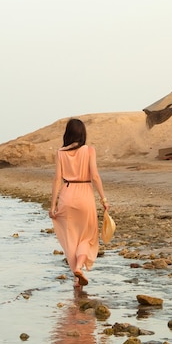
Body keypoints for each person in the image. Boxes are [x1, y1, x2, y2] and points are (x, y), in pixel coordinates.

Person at [49, 118, 109, 287]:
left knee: (71, 238)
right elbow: (95, 176)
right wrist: (103, 199)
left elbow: (56, 180)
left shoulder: (60, 153)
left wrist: (53, 205)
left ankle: (76, 278)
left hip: (67, 195)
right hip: (85, 195)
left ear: (67, 133)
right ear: (82, 133)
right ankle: (79, 268)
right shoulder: (89, 150)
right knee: (88, 236)